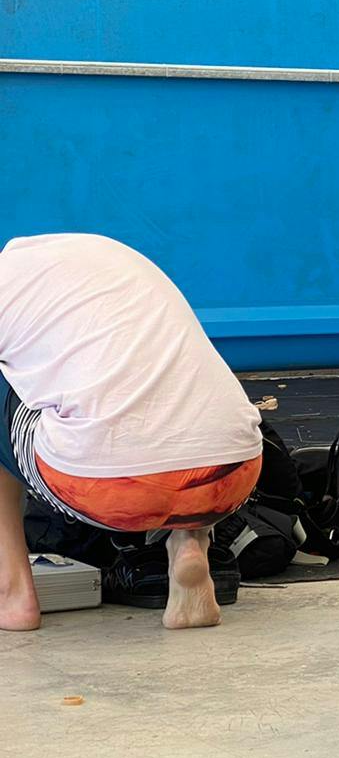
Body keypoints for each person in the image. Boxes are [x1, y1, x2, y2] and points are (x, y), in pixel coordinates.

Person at [0, 234, 263, 631]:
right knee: (164, 392)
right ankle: (189, 544)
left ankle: (12, 594)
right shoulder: (101, 255)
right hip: (234, 471)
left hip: (111, 488)